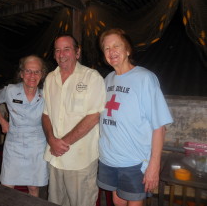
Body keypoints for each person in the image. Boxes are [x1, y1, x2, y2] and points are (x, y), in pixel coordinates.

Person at [97, 28, 173, 206]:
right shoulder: (107, 79)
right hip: (109, 158)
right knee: (117, 201)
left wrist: (154, 165)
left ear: (128, 50)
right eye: (107, 48)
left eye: (116, 46)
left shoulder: (145, 78)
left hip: (133, 161)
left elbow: (159, 126)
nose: (111, 51)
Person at [42, 34, 106, 206]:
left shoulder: (92, 78)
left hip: (80, 159)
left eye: (66, 49)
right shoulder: (49, 79)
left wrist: (62, 143)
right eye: (57, 50)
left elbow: (94, 116)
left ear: (77, 53)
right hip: (55, 158)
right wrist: (50, 139)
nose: (61, 54)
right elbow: (46, 114)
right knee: (55, 202)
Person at [0, 55, 48, 197]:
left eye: (36, 71)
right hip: (14, 143)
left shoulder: (46, 94)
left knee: (33, 187)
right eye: (28, 71)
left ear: (42, 74)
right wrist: (2, 121)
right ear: (21, 73)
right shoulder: (10, 90)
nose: (32, 76)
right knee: (7, 185)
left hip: (37, 144)